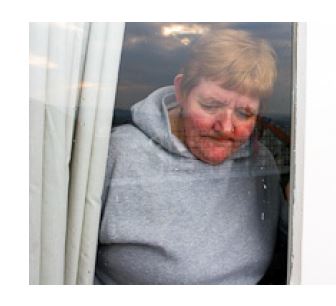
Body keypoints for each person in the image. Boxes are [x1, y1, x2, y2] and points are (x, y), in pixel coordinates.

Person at [95, 29, 288, 285]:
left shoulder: (261, 162)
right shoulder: (116, 154)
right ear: (181, 92)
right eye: (210, 106)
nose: (226, 127)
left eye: (244, 113)